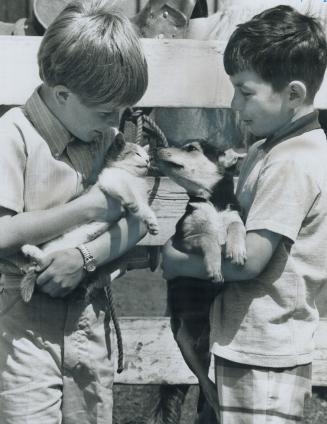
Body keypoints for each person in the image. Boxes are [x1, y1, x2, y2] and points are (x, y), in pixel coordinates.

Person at [162, 5, 327, 423]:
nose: (235, 103)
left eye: (245, 91)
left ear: (293, 94)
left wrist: (174, 260)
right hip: (241, 340)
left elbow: (249, 261)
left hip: (266, 350)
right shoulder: (267, 149)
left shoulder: (293, 162)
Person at [0, 1, 149, 423]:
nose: (114, 122)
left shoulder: (106, 138)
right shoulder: (13, 136)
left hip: (90, 316)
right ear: (63, 94)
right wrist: (88, 208)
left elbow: (137, 221)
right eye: (106, 112)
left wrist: (85, 258)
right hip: (23, 323)